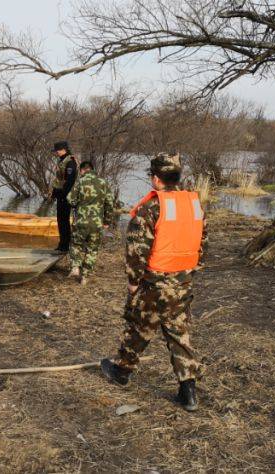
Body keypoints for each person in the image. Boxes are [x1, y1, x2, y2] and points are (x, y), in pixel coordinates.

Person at [100, 153, 207, 411]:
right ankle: (188, 391)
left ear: (156, 179)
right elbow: (202, 243)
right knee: (179, 334)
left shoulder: (151, 208)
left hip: (155, 282)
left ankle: (121, 372)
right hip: (182, 281)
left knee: (138, 328)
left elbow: (136, 251)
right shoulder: (194, 205)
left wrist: (134, 282)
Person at [67, 161, 115, 285]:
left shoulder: (80, 182)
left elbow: (70, 199)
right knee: (92, 249)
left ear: (83, 170)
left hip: (81, 221)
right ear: (92, 169)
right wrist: (107, 221)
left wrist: (79, 203)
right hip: (97, 223)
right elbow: (110, 204)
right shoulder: (103, 182)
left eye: (80, 171)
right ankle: (85, 277)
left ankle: (76, 267)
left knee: (76, 244)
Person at [50, 141, 78, 252]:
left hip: (66, 196)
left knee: (64, 221)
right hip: (61, 195)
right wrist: (54, 192)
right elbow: (60, 180)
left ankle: (65, 246)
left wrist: (62, 195)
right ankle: (62, 244)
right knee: (60, 221)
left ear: (63, 150)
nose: (56, 153)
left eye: (57, 150)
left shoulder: (70, 162)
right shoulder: (62, 161)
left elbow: (70, 182)